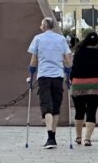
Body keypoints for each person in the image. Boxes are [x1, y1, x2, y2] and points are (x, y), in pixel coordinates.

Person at [27, 18, 72, 149]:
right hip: (58, 76)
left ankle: (50, 137)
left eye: (41, 24)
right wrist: (68, 71)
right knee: (56, 106)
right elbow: (67, 59)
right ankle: (53, 136)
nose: (40, 26)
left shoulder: (38, 39)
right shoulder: (61, 39)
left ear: (45, 25)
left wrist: (31, 72)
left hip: (44, 76)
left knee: (46, 105)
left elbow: (33, 60)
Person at [69, 32, 98, 147]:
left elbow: (73, 68)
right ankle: (87, 139)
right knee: (91, 111)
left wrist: (71, 80)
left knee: (79, 111)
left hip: (78, 84)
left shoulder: (78, 52)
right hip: (96, 84)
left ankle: (78, 137)